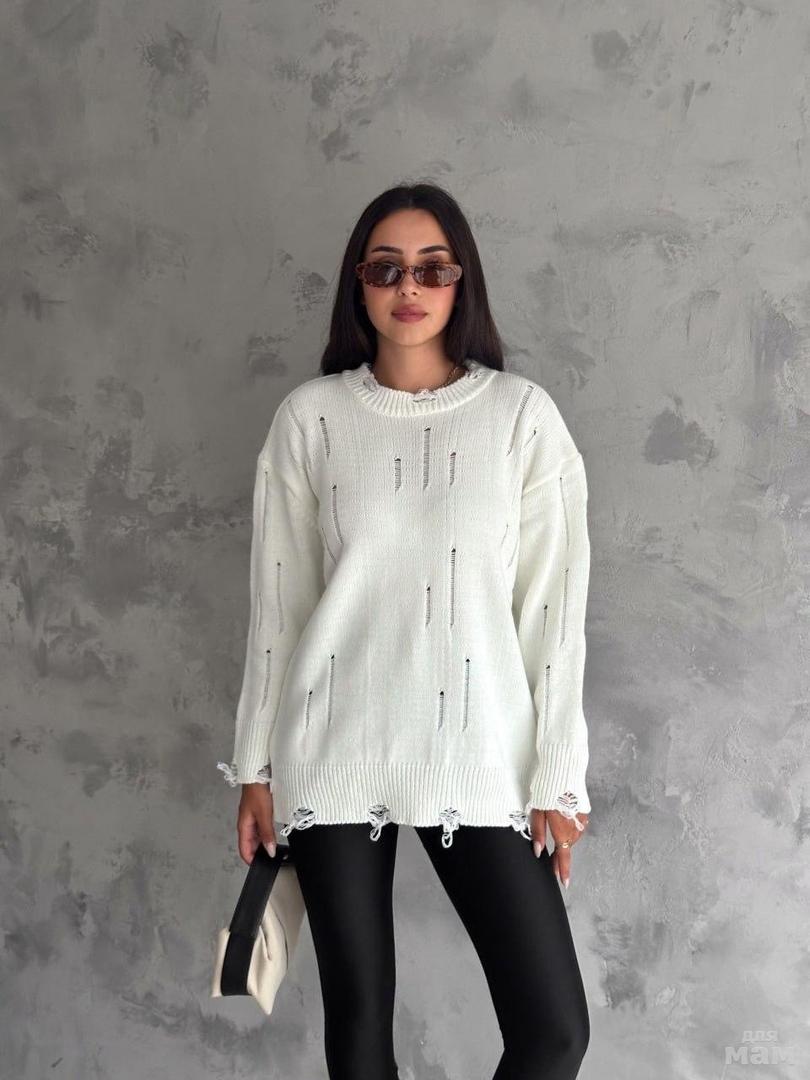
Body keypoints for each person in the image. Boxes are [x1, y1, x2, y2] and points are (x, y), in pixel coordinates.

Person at [218, 181, 592, 1080]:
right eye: (386, 269)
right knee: (359, 1037)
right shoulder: (311, 419)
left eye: (433, 268)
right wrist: (255, 767)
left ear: (463, 282)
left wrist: (557, 772)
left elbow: (553, 610)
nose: (409, 287)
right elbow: (279, 606)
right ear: (359, 284)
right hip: (335, 749)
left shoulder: (521, 418)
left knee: (553, 1033)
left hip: (480, 753)